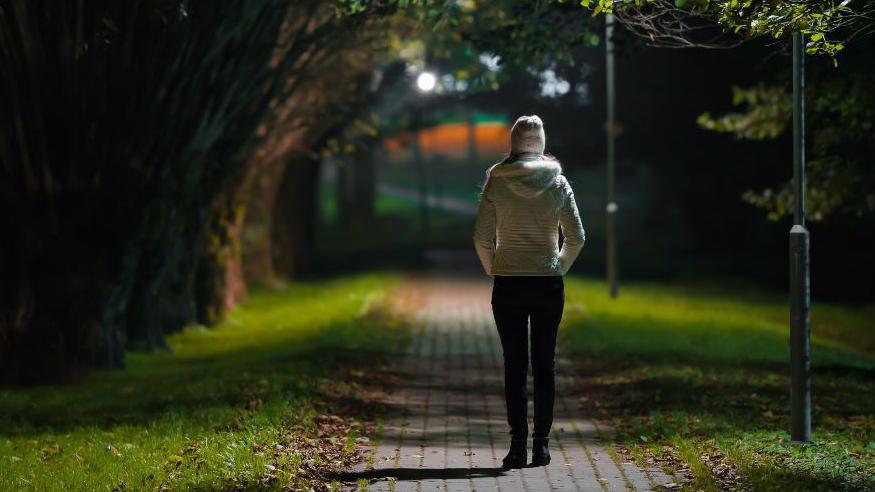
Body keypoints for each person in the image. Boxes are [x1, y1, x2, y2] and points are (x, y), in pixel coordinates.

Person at [472, 114, 585, 468]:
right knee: (545, 364)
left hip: (508, 283)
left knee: (515, 365)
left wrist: (495, 267)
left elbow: (481, 237)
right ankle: (542, 446)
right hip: (547, 284)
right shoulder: (558, 182)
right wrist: (557, 266)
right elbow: (577, 237)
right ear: (541, 143)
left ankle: (517, 446)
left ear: (513, 144)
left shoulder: (496, 181)